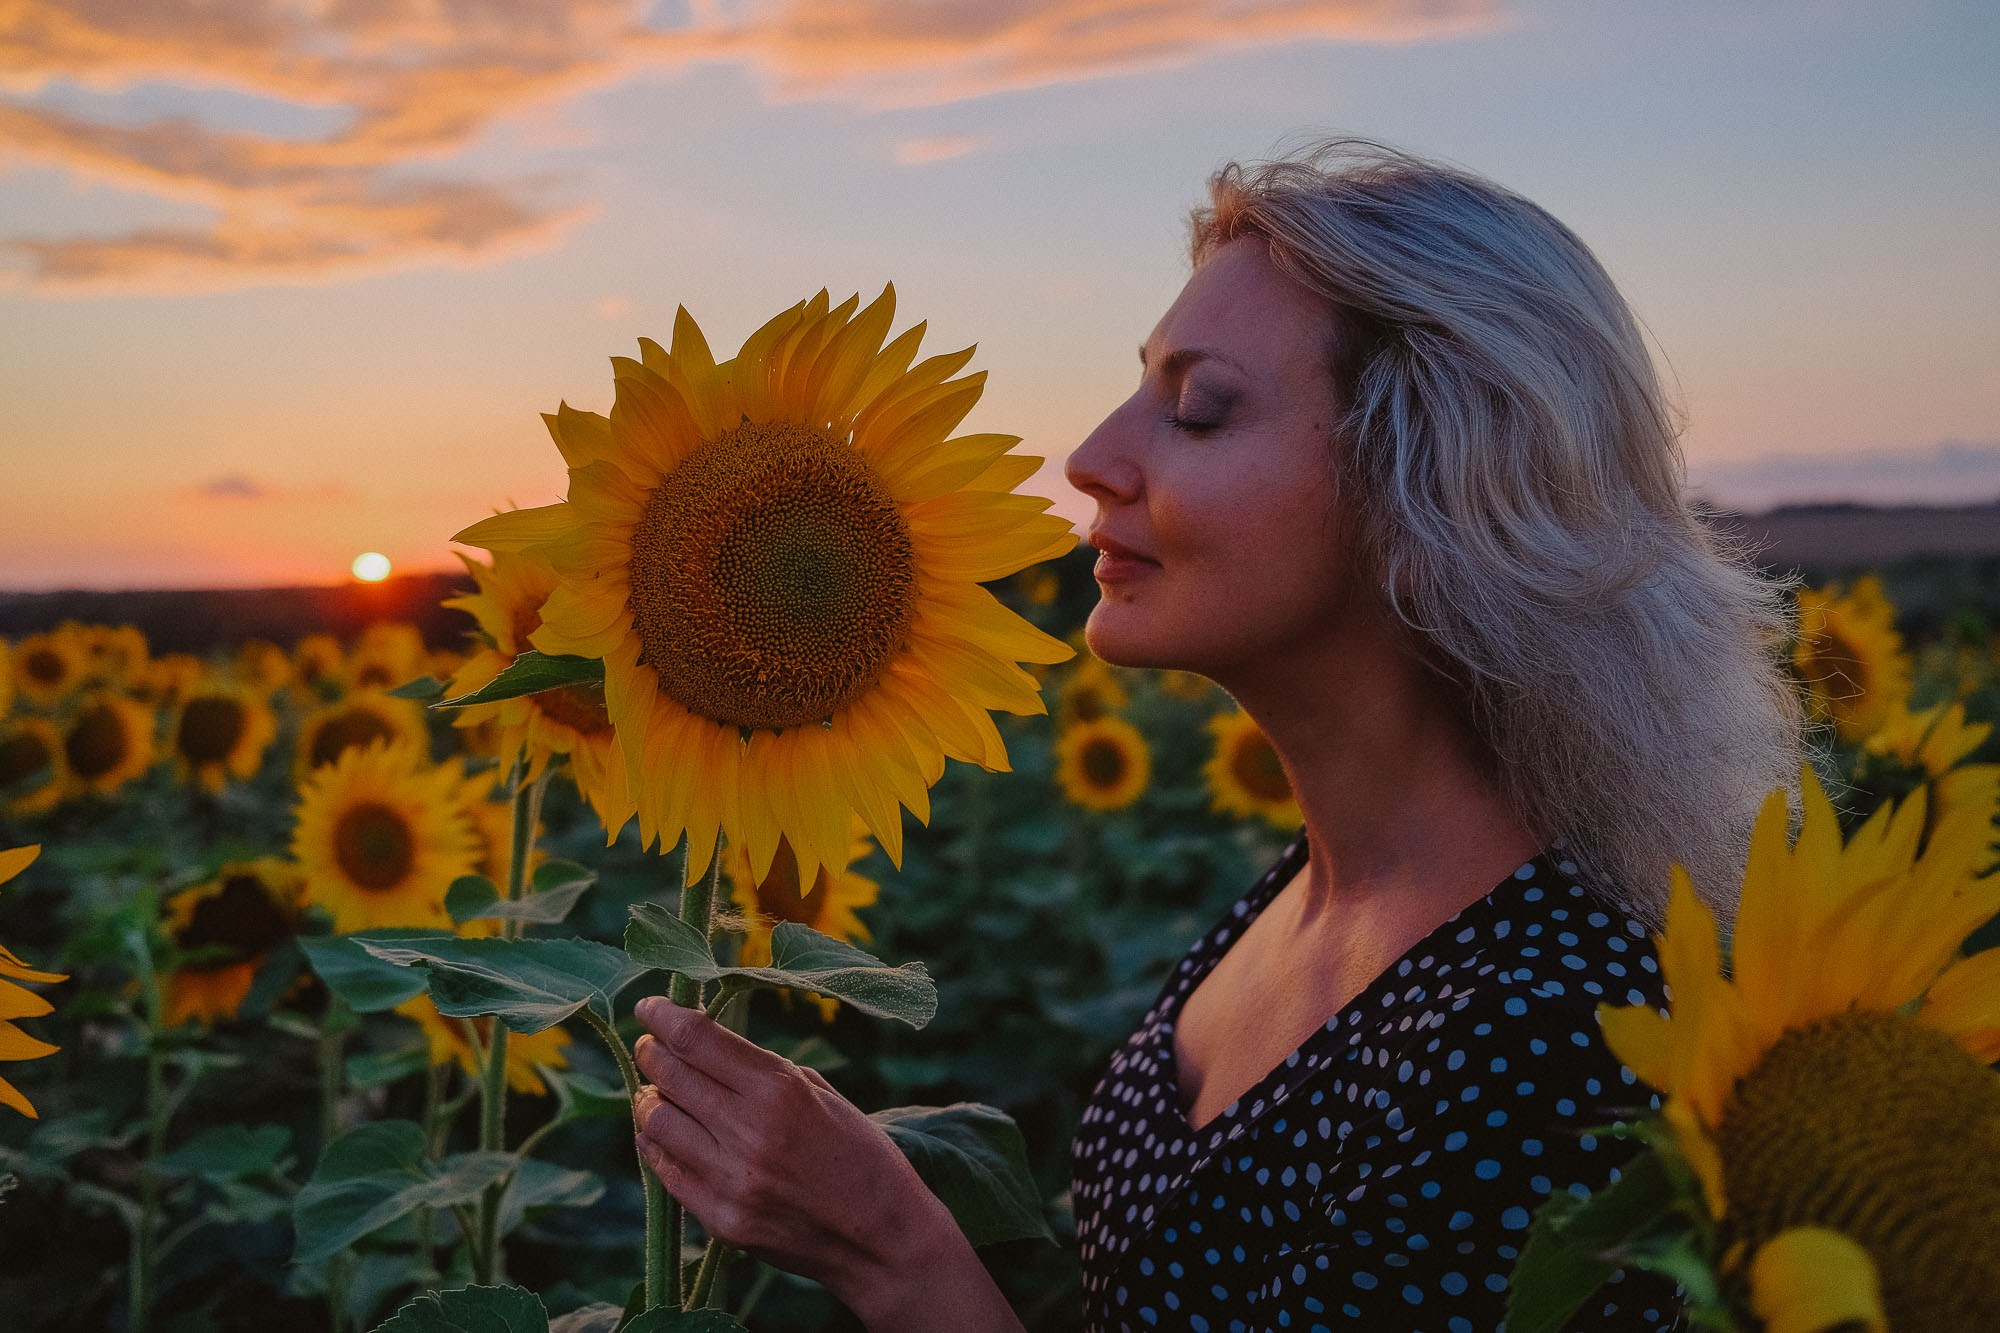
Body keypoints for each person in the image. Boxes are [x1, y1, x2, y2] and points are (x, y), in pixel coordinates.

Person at [629, 138, 1803, 1331]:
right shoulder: (1316, 891)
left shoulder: (1549, 1032)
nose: (1091, 459)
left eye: (1195, 410)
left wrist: (894, 1250)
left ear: (1430, 492)